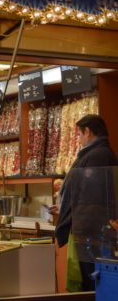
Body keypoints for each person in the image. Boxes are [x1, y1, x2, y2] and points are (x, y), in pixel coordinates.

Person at [51, 114, 118, 291]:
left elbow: (92, 197)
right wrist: (64, 207)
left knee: (92, 287)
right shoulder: (96, 154)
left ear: (88, 132)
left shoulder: (97, 155)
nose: (79, 140)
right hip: (90, 233)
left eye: (79, 135)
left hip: (92, 235)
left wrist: (71, 211)